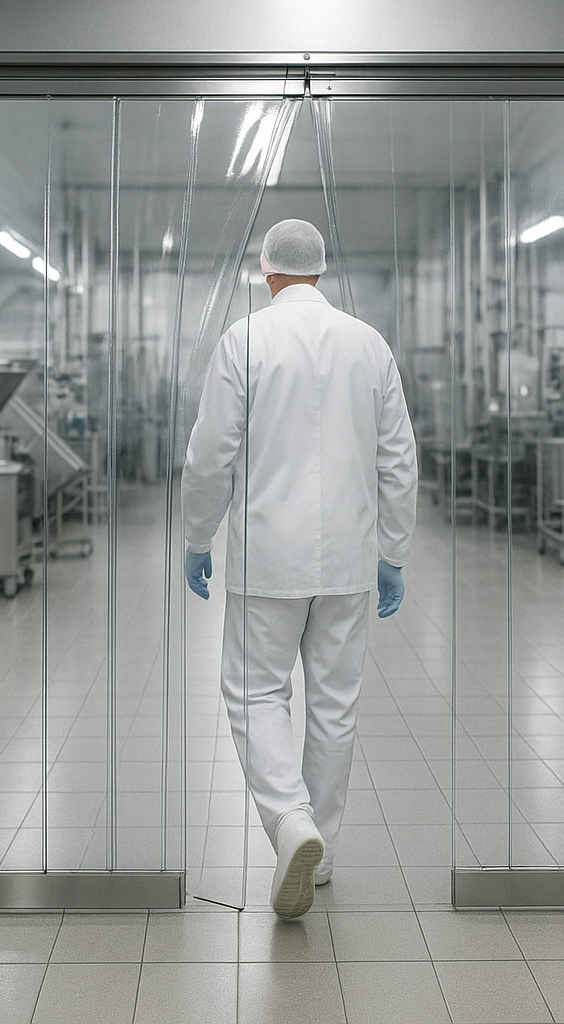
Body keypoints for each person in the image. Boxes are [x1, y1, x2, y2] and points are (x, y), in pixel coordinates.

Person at [181, 218, 418, 919]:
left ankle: (290, 821)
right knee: (335, 706)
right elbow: (398, 459)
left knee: (255, 694)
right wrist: (393, 553)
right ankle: (321, 857)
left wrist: (198, 535)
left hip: (266, 560)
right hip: (347, 561)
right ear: (321, 269)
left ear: (267, 270)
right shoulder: (368, 344)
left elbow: (208, 456)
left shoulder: (244, 340)